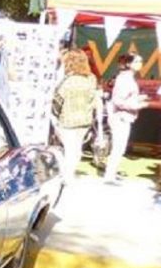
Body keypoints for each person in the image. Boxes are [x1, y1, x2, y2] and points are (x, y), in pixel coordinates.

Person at [52, 51, 102, 183]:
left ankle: (65, 177)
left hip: (67, 121)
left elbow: (57, 100)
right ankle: (69, 174)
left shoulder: (67, 80)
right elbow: (94, 101)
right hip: (84, 121)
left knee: (68, 150)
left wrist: (55, 118)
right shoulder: (91, 79)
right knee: (76, 150)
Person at [104, 53, 149, 182]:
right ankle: (109, 176)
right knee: (118, 147)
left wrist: (140, 98)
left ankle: (112, 172)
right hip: (120, 117)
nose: (139, 64)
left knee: (120, 147)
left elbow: (125, 97)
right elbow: (118, 100)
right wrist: (138, 105)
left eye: (140, 62)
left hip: (123, 116)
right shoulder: (124, 79)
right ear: (128, 64)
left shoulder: (127, 78)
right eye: (136, 62)